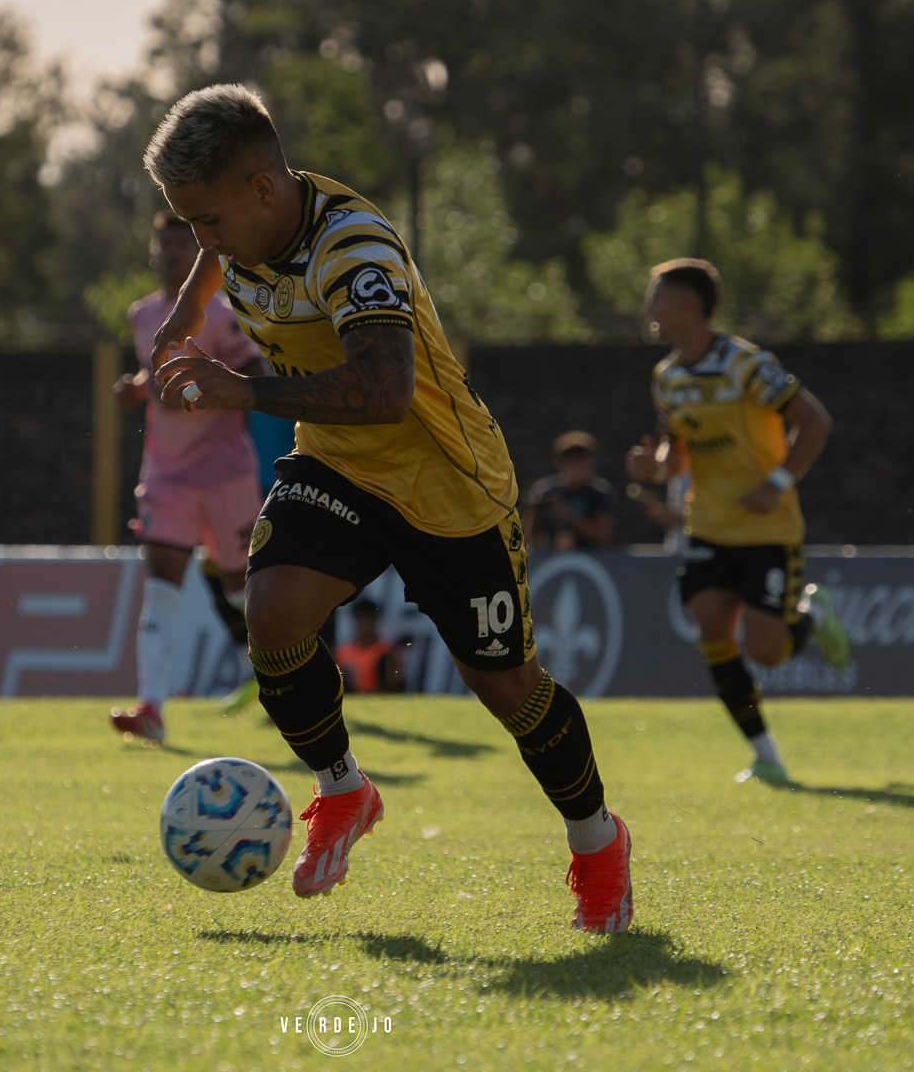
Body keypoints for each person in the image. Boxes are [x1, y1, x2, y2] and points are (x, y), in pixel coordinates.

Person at [144, 84, 634, 932]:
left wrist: (237, 391)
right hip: (338, 463)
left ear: (263, 189)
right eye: (189, 225)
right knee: (273, 614)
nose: (201, 241)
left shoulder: (353, 248)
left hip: (447, 480)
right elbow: (219, 256)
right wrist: (190, 306)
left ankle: (598, 842)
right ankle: (344, 790)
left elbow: (383, 390)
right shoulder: (246, 221)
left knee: (506, 686)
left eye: (207, 222)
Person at [625, 259, 852, 786]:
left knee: (766, 651)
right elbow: (677, 454)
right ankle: (765, 754)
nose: (648, 309)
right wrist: (652, 467)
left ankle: (813, 615)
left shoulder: (745, 364)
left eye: (655, 297)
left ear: (685, 305)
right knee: (711, 631)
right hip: (707, 525)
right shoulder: (667, 378)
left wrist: (776, 483)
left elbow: (814, 421)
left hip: (767, 528)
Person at [107, 212, 265, 745]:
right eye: (166, 244)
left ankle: (284, 676)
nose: (175, 253)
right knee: (161, 592)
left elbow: (257, 376)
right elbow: (156, 377)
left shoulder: (219, 314)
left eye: (184, 243)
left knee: (244, 587)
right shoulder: (141, 315)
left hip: (224, 473)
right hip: (167, 476)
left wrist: (207, 387)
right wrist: (137, 388)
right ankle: (151, 706)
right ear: (153, 252)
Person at [525, 431, 616, 551]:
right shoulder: (545, 492)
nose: (577, 465)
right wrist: (533, 514)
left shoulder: (599, 492)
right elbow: (530, 539)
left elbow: (603, 536)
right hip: (550, 561)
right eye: (572, 460)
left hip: (590, 560)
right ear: (560, 463)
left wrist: (568, 515)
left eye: (582, 459)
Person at [334, 599, 404, 694]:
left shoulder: (386, 651)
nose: (365, 622)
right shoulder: (342, 652)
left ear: (375, 619)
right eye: (361, 617)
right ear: (355, 619)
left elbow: (392, 687)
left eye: (369, 617)